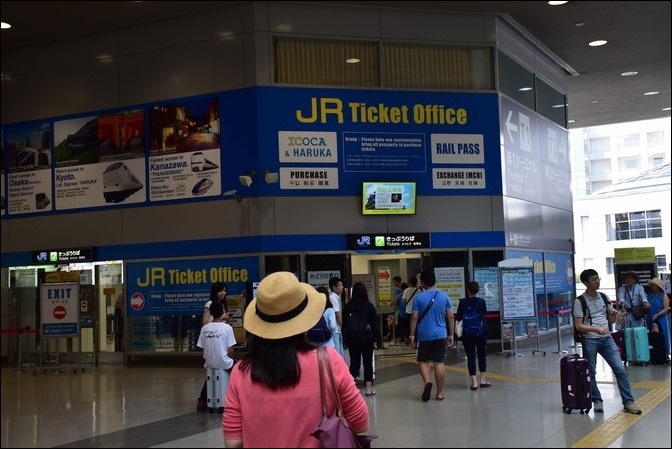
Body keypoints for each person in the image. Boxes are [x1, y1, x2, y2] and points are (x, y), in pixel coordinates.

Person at [222, 271, 368, 448]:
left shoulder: (241, 371)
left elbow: (233, 442)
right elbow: (360, 424)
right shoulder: (329, 362)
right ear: (304, 319)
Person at [575, 269, 642, 414]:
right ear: (586, 283)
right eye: (593, 279)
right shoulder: (579, 301)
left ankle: (628, 401)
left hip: (606, 339)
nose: (597, 281)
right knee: (591, 371)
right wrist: (595, 329)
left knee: (620, 369)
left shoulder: (604, 297)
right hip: (590, 340)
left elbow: (611, 319)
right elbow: (578, 325)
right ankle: (597, 399)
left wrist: (615, 315)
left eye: (598, 278)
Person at [409, 270, 455, 402]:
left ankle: (427, 382)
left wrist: (412, 335)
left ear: (422, 282)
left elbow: (414, 317)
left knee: (423, 361)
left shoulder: (419, 298)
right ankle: (440, 393)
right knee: (439, 363)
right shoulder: (444, 296)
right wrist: (451, 334)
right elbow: (451, 316)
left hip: (424, 335)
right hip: (441, 334)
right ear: (435, 281)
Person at [342, 282, 383, 396]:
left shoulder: (348, 307)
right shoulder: (369, 307)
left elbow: (344, 326)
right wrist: (378, 341)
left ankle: (350, 389)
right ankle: (369, 389)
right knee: (367, 362)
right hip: (367, 339)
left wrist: (345, 340)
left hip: (352, 339)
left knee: (354, 363)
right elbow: (374, 326)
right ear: (365, 292)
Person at [196, 301, 237, 409]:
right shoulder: (227, 328)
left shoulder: (204, 328)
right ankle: (238, 398)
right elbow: (230, 350)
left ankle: (202, 400)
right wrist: (235, 359)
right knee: (239, 370)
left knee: (212, 371)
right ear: (223, 312)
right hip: (223, 362)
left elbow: (202, 349)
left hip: (209, 362)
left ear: (211, 313)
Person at [456, 281, 490, 390]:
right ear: (478, 290)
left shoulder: (462, 303)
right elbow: (483, 314)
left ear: (468, 290)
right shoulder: (481, 301)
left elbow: (459, 317)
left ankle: (474, 382)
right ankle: (483, 380)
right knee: (482, 355)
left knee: (470, 356)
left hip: (467, 333)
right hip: (480, 332)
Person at [645, 277, 670, 358]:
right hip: (650, 318)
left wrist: (658, 315)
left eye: (653, 285)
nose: (651, 286)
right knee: (652, 335)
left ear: (658, 286)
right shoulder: (649, 296)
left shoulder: (663, 296)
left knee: (663, 334)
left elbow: (666, 309)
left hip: (661, 318)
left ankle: (665, 354)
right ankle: (654, 353)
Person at [328, 277, 346, 357]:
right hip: (335, 331)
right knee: (338, 355)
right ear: (334, 287)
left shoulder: (335, 298)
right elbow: (338, 315)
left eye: (342, 285)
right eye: (340, 285)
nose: (342, 287)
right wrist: (344, 328)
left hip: (337, 331)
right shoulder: (333, 298)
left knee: (340, 354)